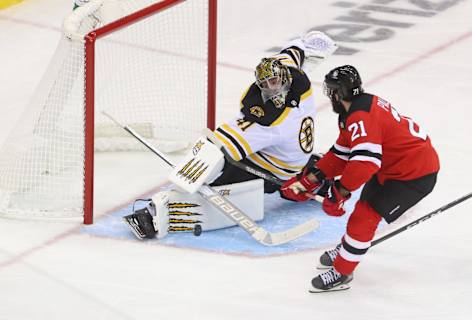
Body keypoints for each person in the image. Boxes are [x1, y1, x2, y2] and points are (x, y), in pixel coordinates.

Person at [123, 32, 338, 240]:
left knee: (217, 185)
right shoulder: (299, 81)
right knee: (229, 156)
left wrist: (183, 180)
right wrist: (309, 44)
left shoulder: (267, 123)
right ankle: (314, 173)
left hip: (269, 168)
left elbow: (214, 149)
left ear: (284, 79)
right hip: (290, 155)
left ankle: (156, 215)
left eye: (275, 82)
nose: (271, 89)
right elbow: (294, 51)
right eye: (266, 84)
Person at [280, 65, 440, 292]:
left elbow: (365, 164)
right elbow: (341, 153)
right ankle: (349, 247)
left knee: (364, 217)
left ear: (338, 93)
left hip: (413, 175)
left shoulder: (360, 117)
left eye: (331, 91)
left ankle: (343, 273)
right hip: (393, 168)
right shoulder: (354, 110)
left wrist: (340, 191)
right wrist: (310, 179)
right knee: (362, 213)